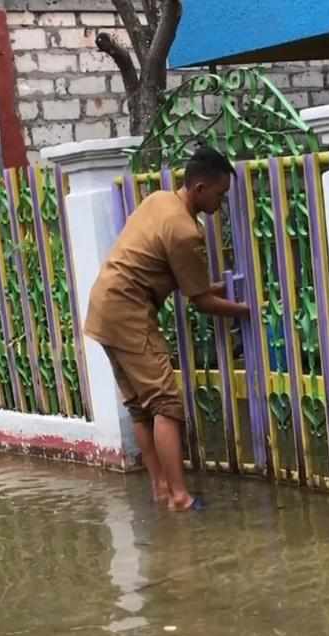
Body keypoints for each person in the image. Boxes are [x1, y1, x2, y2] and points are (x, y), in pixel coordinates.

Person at [83, 146, 249, 511]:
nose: (221, 203)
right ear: (200, 187)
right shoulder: (185, 230)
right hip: (128, 311)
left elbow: (185, 280)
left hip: (104, 306)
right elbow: (200, 301)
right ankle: (180, 496)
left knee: (140, 406)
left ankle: (160, 487)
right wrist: (247, 311)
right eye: (220, 194)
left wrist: (220, 289)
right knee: (166, 403)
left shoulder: (159, 201)